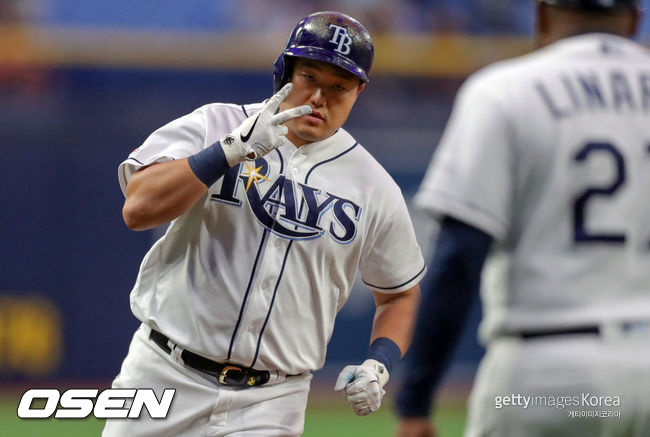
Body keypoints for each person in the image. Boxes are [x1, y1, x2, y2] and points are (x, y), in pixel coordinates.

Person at [103, 10, 425, 437]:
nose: (319, 98)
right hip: (164, 374)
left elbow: (400, 293)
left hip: (271, 403)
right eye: (309, 77)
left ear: (358, 91)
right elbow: (138, 208)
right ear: (285, 71)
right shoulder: (217, 124)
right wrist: (229, 150)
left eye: (338, 87)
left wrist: (379, 364)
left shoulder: (373, 186)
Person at [394, 1, 649, 436]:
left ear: (544, 16)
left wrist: (416, 395)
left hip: (546, 373)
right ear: (634, 19)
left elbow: (460, 255)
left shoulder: (506, 89)